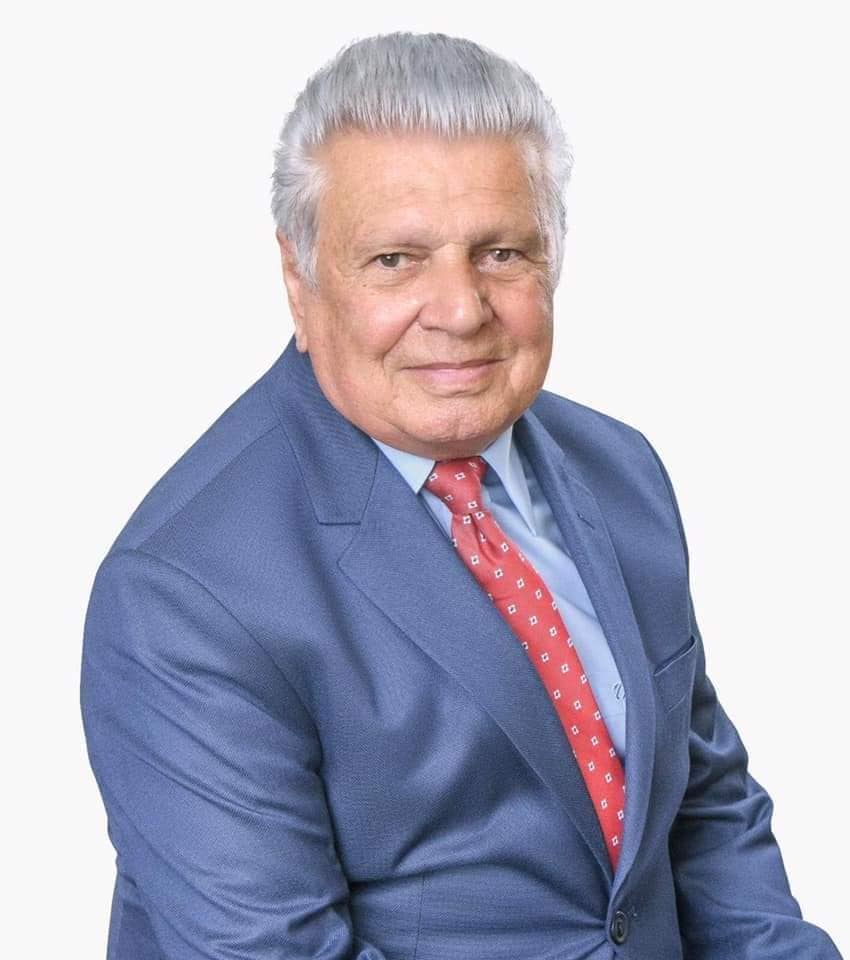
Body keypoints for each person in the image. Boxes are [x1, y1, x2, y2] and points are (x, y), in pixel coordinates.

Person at [80, 31, 843, 960]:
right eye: (396, 260)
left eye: (502, 253)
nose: (461, 309)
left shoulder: (623, 471)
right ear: (297, 277)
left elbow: (704, 814)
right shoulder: (184, 591)